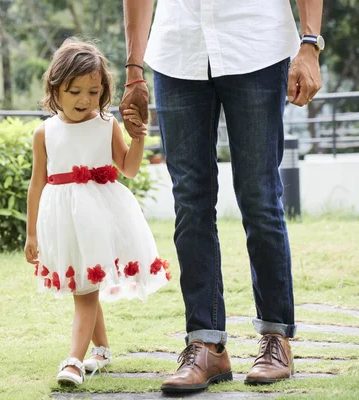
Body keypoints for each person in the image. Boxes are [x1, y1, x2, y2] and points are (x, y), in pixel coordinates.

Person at [120, 0, 323, 393]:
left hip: (256, 42)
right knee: (190, 204)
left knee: (260, 196)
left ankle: (275, 338)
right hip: (179, 48)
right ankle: (205, 343)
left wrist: (309, 43)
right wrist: (134, 69)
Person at [24, 37, 171, 386]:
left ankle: (73, 361)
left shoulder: (107, 125)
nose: (84, 100)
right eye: (75, 91)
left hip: (99, 218)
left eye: (93, 91)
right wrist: (31, 234)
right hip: (63, 222)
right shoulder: (44, 133)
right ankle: (101, 349)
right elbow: (36, 184)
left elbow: (130, 170)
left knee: (86, 292)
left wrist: (138, 137)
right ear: (55, 88)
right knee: (84, 286)